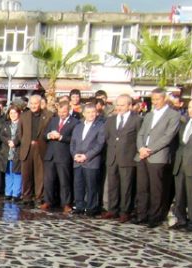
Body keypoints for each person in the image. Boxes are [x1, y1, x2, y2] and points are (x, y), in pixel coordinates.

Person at [133, 88, 182, 228]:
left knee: (156, 189)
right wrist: (141, 148)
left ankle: (155, 217)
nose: (155, 102)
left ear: (164, 99)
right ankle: (141, 214)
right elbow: (141, 133)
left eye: (157, 99)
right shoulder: (149, 115)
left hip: (158, 156)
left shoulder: (173, 115)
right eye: (153, 99)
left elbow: (168, 136)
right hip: (142, 154)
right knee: (142, 187)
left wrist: (150, 150)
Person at [102, 94, 141, 222]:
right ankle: (112, 210)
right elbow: (107, 137)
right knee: (112, 185)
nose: (119, 107)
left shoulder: (136, 120)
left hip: (127, 158)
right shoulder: (111, 120)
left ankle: (125, 211)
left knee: (126, 186)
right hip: (112, 157)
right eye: (117, 105)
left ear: (129, 106)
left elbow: (139, 139)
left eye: (122, 105)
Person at [171, 98, 192, 232]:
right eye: (189, 107)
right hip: (180, 164)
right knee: (180, 194)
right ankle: (181, 219)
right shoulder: (184, 123)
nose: (190, 110)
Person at [70, 104, 106, 216]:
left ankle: (91, 208)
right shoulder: (78, 126)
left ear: (96, 113)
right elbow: (73, 143)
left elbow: (99, 144)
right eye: (88, 112)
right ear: (84, 114)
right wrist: (75, 155)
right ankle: (79, 206)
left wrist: (86, 156)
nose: (91, 114)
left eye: (93, 112)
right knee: (78, 185)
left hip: (91, 161)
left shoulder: (100, 126)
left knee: (91, 186)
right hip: (77, 161)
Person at [42, 102, 78, 212]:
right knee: (48, 180)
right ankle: (48, 201)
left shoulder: (75, 122)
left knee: (64, 181)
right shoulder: (53, 120)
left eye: (64, 112)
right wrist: (49, 135)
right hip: (51, 155)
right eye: (60, 112)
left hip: (63, 155)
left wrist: (61, 137)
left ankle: (66, 203)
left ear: (69, 111)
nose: (61, 114)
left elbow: (74, 139)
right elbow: (44, 135)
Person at [18, 95, 53, 206]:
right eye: (31, 103)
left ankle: (39, 197)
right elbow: (20, 133)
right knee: (26, 174)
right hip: (27, 148)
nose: (33, 106)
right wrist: (25, 142)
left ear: (40, 104)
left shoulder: (48, 115)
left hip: (41, 148)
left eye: (36, 103)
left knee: (40, 175)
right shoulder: (24, 116)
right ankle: (27, 197)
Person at [1, 106, 23, 201]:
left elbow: (22, 136)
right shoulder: (6, 124)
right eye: (11, 113)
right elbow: (2, 135)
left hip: (17, 151)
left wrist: (15, 142)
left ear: (19, 113)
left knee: (17, 173)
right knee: (8, 172)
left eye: (15, 113)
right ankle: (8, 192)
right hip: (7, 151)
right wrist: (8, 141)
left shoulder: (22, 124)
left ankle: (16, 193)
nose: (13, 115)